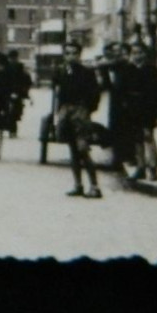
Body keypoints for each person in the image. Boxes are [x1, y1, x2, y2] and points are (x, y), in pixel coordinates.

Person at [102, 41, 157, 184]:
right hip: (133, 107)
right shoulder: (128, 70)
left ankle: (153, 167)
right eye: (135, 53)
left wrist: (154, 105)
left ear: (145, 55)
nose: (137, 56)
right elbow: (121, 90)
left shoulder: (151, 69)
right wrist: (125, 105)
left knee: (148, 136)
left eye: (140, 53)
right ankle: (141, 167)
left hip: (147, 107)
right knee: (137, 139)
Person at [55, 41, 103, 198]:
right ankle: (78, 185)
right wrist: (59, 112)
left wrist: (87, 110)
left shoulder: (86, 72)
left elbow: (95, 94)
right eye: (67, 53)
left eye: (74, 53)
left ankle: (95, 186)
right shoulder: (61, 72)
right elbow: (58, 94)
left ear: (79, 55)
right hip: (66, 111)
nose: (71, 56)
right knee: (73, 150)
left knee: (83, 148)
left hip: (80, 111)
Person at [4, 50, 33, 138]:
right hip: (17, 92)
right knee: (16, 110)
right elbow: (27, 80)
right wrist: (25, 92)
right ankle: (13, 130)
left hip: (6, 92)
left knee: (4, 108)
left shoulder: (5, 66)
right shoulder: (21, 67)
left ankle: (5, 124)